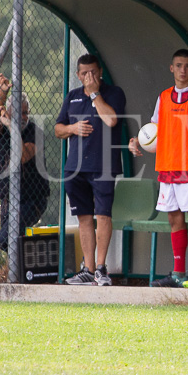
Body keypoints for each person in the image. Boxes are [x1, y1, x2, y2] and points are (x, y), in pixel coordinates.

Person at [129, 48, 188, 288]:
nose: (183, 70)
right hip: (168, 168)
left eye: (187, 66)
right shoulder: (164, 97)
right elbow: (153, 131)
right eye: (178, 65)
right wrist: (137, 141)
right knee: (174, 219)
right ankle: (178, 273)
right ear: (171, 68)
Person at [56, 54, 126, 286]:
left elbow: (111, 120)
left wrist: (95, 94)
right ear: (78, 75)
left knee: (103, 214)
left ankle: (101, 269)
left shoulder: (114, 93)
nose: (89, 76)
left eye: (93, 72)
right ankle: (88, 268)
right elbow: (58, 129)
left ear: (100, 72)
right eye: (85, 73)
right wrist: (72, 128)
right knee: (83, 216)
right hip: (75, 168)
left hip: (103, 166)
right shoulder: (72, 96)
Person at [0, 73, 50, 252]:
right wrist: (3, 92)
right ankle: (22, 267)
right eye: (18, 112)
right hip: (9, 199)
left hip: (32, 200)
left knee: (4, 240)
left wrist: (11, 126)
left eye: (25, 113)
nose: (23, 117)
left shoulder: (34, 132)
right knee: (13, 244)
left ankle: (35, 257)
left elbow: (21, 156)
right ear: (8, 112)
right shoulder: (3, 130)